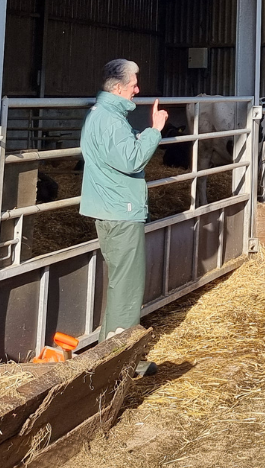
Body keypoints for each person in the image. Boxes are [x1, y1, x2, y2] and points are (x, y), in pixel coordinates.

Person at [80, 58, 167, 341]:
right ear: (118, 87)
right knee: (127, 289)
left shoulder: (104, 115)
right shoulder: (110, 120)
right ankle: (122, 360)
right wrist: (155, 130)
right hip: (121, 209)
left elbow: (121, 153)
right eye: (133, 84)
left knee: (120, 285)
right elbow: (132, 159)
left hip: (109, 207)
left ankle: (110, 352)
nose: (137, 89)